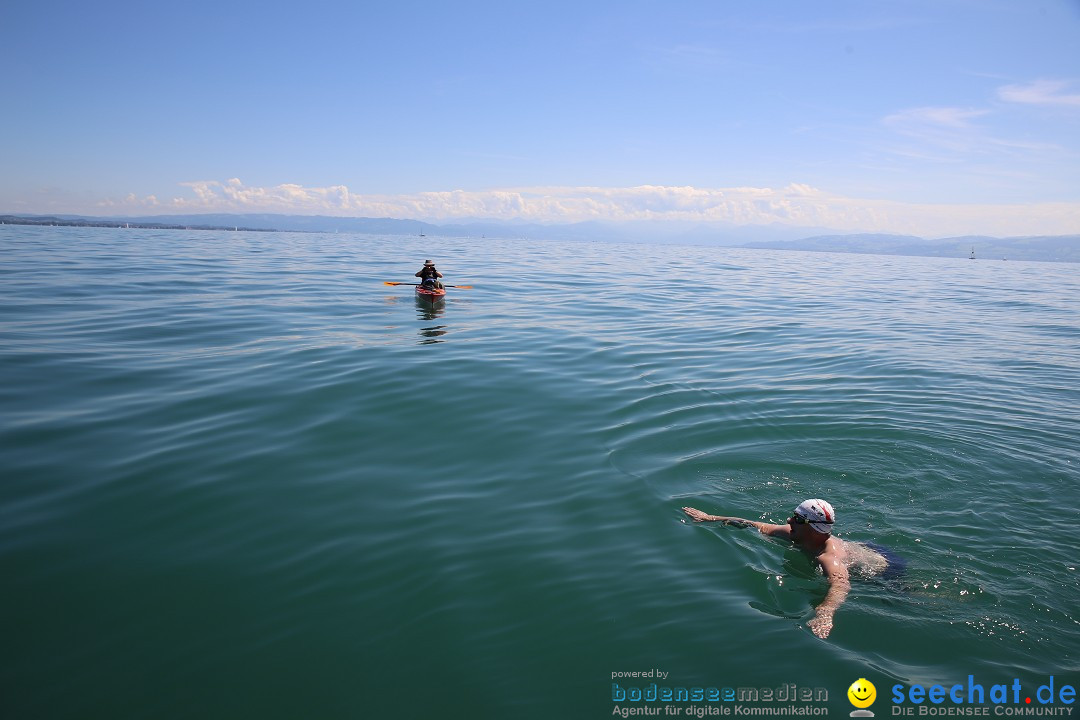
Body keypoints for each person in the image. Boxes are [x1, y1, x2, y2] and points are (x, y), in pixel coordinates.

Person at [681, 499, 888, 639]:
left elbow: (840, 585)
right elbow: (753, 524)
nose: (789, 521)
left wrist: (825, 613)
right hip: (862, 549)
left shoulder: (829, 558)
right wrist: (709, 518)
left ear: (813, 528)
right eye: (793, 516)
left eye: (798, 519)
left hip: (881, 569)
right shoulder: (793, 533)